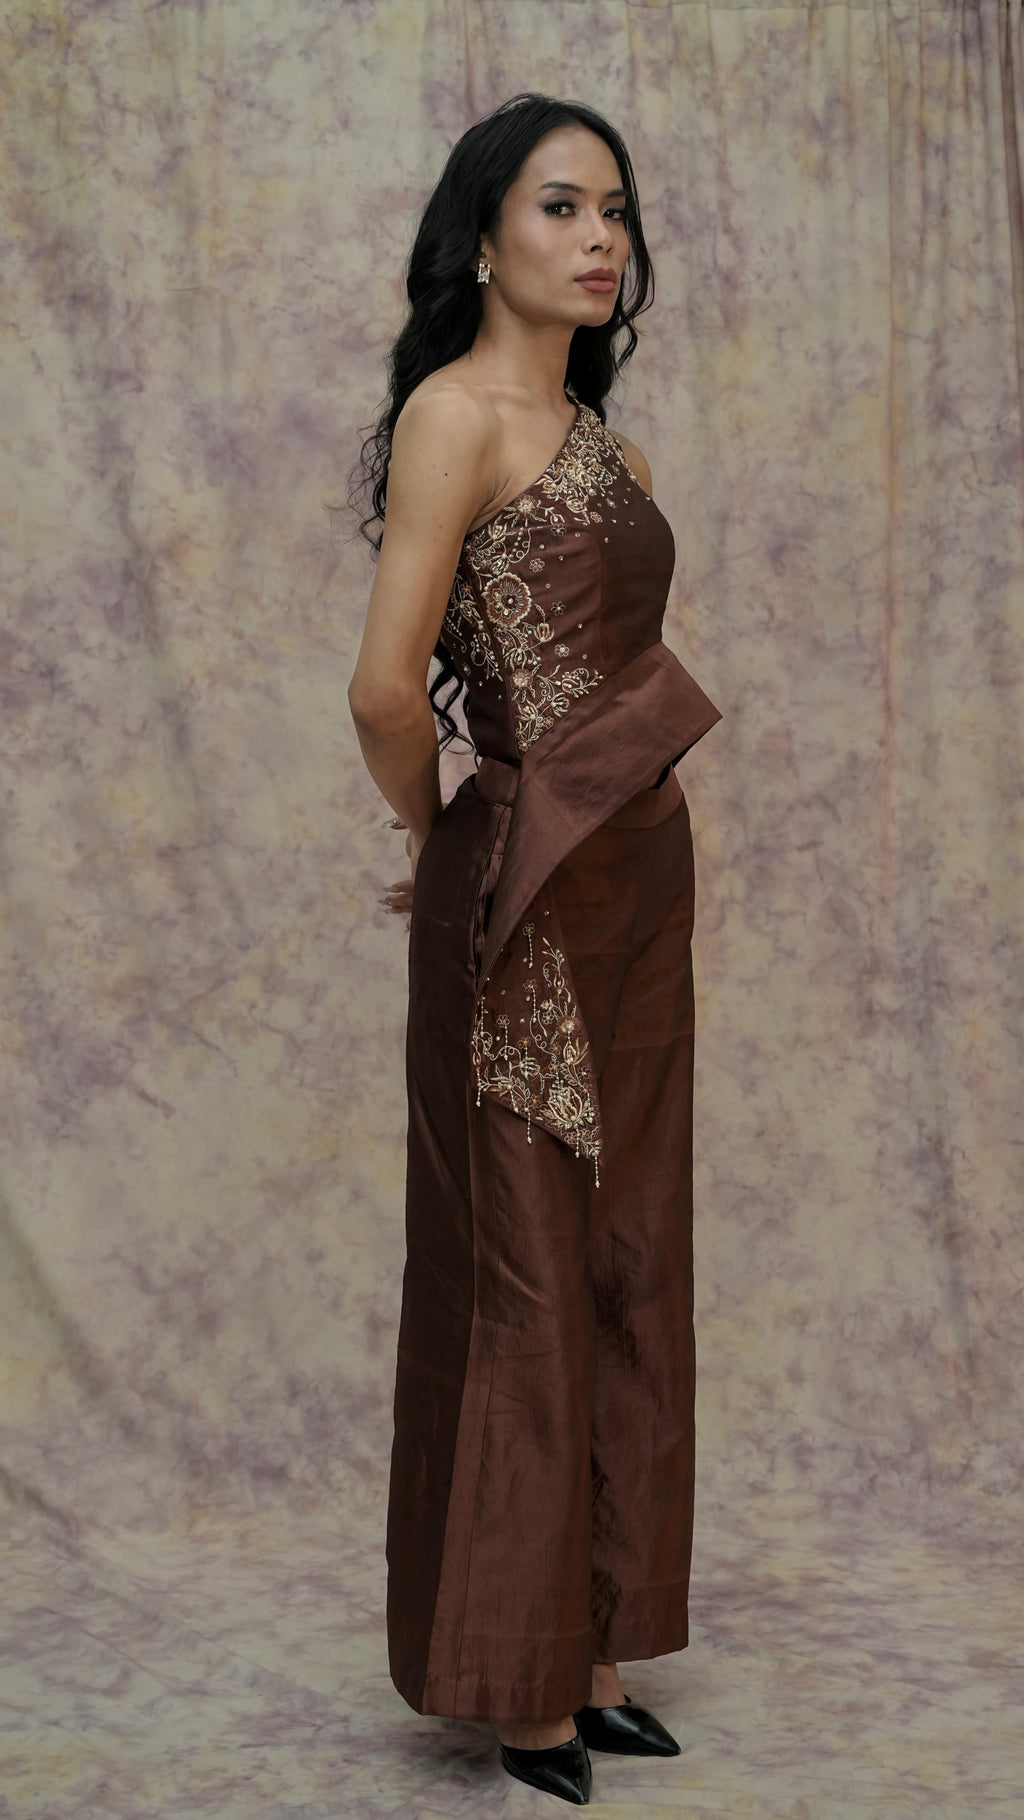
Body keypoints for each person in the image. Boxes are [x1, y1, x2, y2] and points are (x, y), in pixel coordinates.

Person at [346, 91, 722, 1807]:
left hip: (642, 885)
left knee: (630, 1252)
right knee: (521, 1267)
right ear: (484, 232)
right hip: (525, 897)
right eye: (562, 207)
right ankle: (519, 1687)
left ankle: (599, 1644)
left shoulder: (617, 452)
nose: (598, 240)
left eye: (616, 215)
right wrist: (447, 852)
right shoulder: (456, 416)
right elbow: (383, 686)